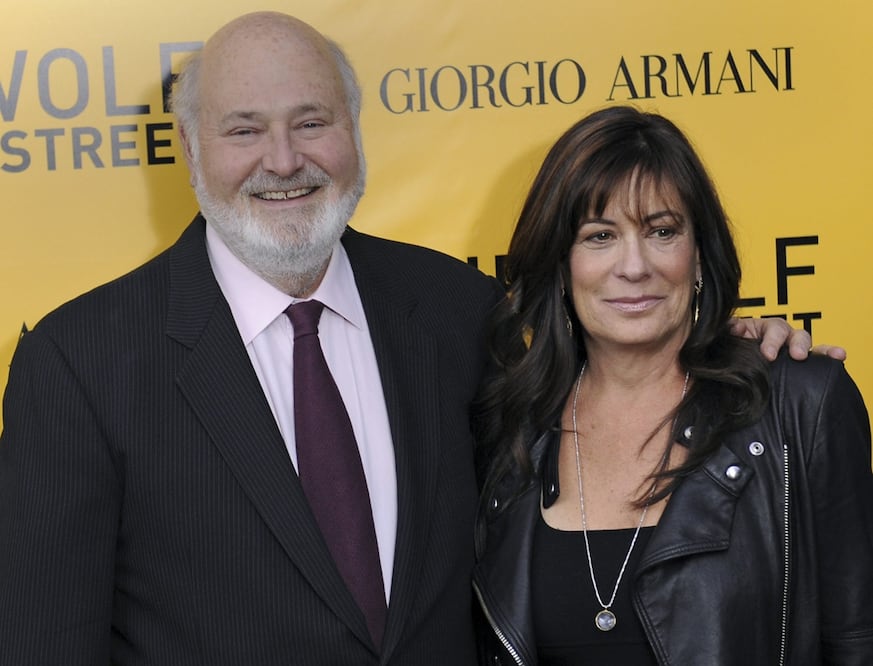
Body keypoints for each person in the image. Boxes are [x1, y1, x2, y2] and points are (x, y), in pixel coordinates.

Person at [0, 13, 831, 666]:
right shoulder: (79, 366)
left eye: (311, 121)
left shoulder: (459, 311)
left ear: (355, 133)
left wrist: (734, 347)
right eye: (244, 130)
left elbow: (618, 378)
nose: (283, 160)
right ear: (188, 150)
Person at [471, 105, 873, 665]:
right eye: (600, 235)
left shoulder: (799, 403)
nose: (634, 266)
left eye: (662, 231)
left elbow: (857, 640)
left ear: (700, 253)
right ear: (560, 266)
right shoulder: (509, 427)